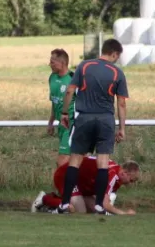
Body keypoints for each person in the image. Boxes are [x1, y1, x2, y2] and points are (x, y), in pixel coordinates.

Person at [55, 39, 128, 215]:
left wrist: (65, 113)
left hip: (84, 119)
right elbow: (121, 103)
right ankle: (99, 206)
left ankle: (64, 204)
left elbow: (70, 90)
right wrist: (122, 128)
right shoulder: (117, 73)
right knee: (103, 163)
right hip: (105, 120)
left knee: (75, 161)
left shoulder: (84, 66)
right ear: (115, 54)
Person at [31, 156, 139, 215]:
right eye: (131, 180)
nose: (130, 184)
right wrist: (124, 214)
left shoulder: (116, 175)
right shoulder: (112, 175)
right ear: (124, 173)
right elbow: (105, 205)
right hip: (66, 176)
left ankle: (60, 200)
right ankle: (45, 199)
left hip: (80, 182)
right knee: (78, 211)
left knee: (94, 210)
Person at [47, 49, 75, 167]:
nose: (50, 64)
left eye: (53, 62)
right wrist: (51, 121)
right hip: (61, 124)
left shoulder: (73, 79)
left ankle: (65, 185)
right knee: (72, 159)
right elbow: (54, 101)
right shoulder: (52, 77)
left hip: (72, 124)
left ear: (62, 63)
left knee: (62, 160)